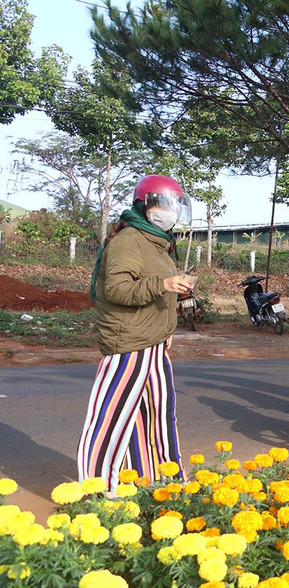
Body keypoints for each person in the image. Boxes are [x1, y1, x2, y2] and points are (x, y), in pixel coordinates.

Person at [77, 174, 194, 491]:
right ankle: (97, 489)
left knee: (157, 416)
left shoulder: (157, 242)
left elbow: (154, 289)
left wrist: (172, 298)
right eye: (163, 204)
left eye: (174, 204)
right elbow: (117, 289)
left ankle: (161, 482)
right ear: (144, 206)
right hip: (128, 344)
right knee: (111, 419)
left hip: (155, 344)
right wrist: (164, 284)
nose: (170, 211)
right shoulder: (128, 240)